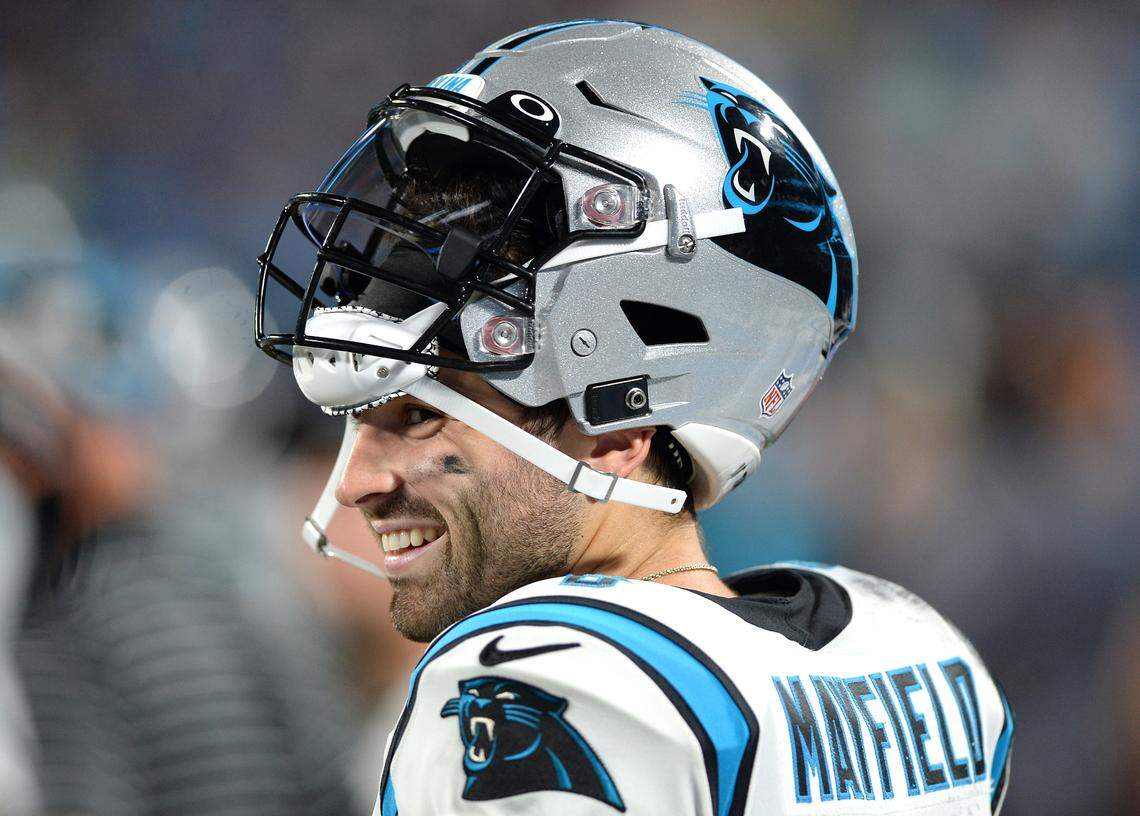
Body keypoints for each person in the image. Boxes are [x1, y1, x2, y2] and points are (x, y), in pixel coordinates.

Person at [254, 19, 1013, 815]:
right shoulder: (915, 661)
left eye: (420, 416)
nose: (358, 484)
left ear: (619, 433)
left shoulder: (542, 684)